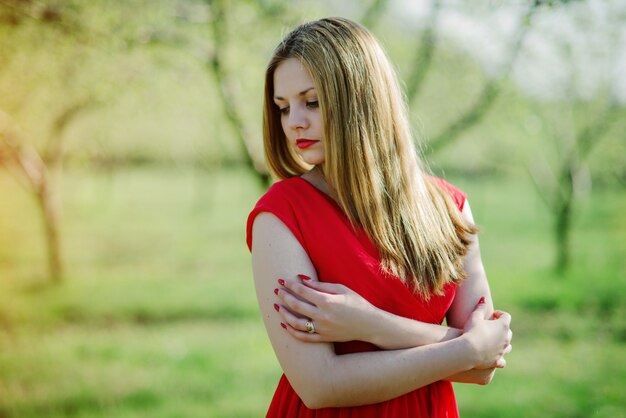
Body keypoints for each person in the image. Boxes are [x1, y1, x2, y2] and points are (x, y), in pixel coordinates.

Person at [246, 17, 512, 417]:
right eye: (283, 108)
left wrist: (371, 324)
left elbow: (482, 368)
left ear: (362, 99)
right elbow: (319, 384)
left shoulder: (449, 207)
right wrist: (465, 346)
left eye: (312, 101)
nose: (294, 122)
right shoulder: (282, 214)